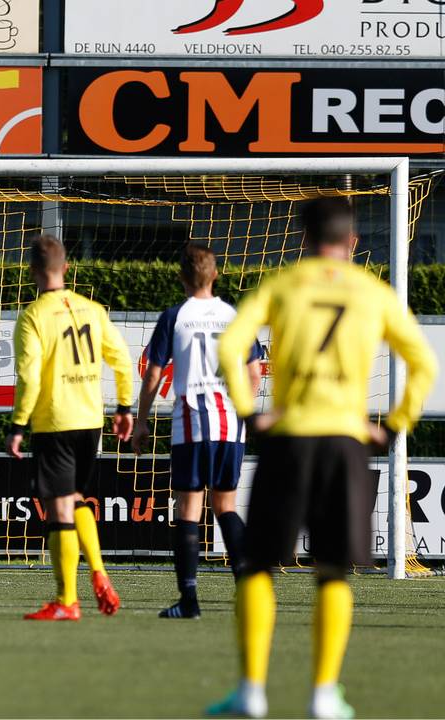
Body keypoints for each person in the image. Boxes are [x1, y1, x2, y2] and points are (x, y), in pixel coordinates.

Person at [208, 198, 437, 719]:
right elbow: (422, 362)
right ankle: (324, 694)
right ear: (351, 241)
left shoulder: (284, 284)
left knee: (260, 567)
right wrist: (394, 425)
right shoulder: (372, 292)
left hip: (288, 438)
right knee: (333, 571)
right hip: (343, 443)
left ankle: (251, 692)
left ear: (303, 238)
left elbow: (231, 346)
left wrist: (248, 412)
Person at [3, 235, 134, 621]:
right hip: (90, 421)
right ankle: (97, 569)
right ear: (67, 269)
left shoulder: (33, 316)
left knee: (58, 510)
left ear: (32, 272)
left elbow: (29, 378)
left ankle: (67, 600)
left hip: (56, 421)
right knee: (74, 499)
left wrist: (17, 425)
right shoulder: (92, 309)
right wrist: (124, 406)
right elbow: (123, 361)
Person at [132, 243, 264, 619]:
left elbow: (154, 374)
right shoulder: (233, 315)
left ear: (181, 277)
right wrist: (245, 412)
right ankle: (249, 592)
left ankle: (189, 601)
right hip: (228, 423)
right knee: (226, 506)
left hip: (191, 420)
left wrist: (142, 423)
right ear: (215, 275)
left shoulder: (176, 316)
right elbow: (254, 372)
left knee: (189, 509)